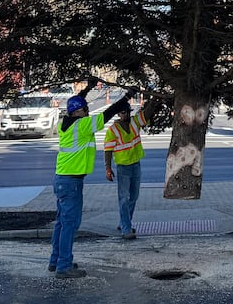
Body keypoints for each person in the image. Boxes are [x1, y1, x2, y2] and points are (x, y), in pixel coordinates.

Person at [49, 82, 131, 279]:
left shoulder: (65, 124)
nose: (88, 111)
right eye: (85, 109)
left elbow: (75, 103)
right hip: (71, 182)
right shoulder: (82, 125)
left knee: (61, 222)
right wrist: (125, 99)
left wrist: (87, 89)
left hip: (62, 179)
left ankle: (56, 260)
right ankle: (64, 266)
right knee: (70, 223)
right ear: (79, 111)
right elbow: (107, 114)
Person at [104, 96, 163, 240]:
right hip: (123, 167)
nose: (126, 115)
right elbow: (108, 151)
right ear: (118, 114)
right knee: (124, 198)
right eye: (123, 112)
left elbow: (147, 114)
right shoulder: (113, 130)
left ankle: (125, 222)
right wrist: (108, 168)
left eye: (128, 112)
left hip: (136, 164)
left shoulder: (135, 122)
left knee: (133, 196)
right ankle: (126, 228)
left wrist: (155, 100)